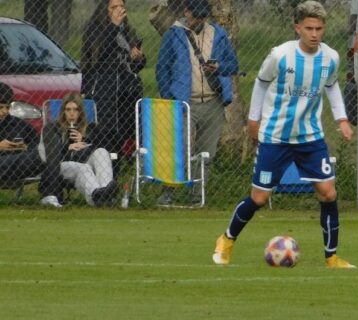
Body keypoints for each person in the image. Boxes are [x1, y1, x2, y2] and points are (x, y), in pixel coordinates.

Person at [212, 1, 356, 269]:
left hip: (310, 138)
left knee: (328, 193)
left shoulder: (330, 58)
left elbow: (333, 86)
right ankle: (227, 240)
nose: (314, 34)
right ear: (297, 27)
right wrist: (254, 120)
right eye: (309, 28)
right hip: (275, 137)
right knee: (259, 198)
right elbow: (261, 83)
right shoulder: (281, 55)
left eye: (319, 28)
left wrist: (342, 119)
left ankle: (332, 258)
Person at [156, 0, 239, 205]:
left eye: (203, 16)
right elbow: (162, 69)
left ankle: (197, 197)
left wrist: (218, 67)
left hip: (213, 101)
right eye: (196, 16)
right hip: (185, 102)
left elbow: (233, 64)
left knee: (206, 153)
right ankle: (169, 192)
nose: (200, 21)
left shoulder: (218, 34)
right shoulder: (174, 34)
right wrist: (170, 97)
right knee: (180, 150)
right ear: (187, 12)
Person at [81, 0, 146, 156]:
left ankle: (124, 168)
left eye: (121, 6)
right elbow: (99, 55)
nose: (119, 10)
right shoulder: (94, 29)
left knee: (126, 135)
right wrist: (113, 26)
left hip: (126, 92)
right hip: (104, 91)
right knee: (105, 136)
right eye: (114, 7)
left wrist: (138, 58)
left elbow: (134, 66)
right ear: (105, 11)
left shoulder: (127, 31)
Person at [40, 93, 118, 207]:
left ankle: (104, 193)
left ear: (80, 112)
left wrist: (85, 138)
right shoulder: (53, 128)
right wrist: (67, 146)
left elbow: (107, 145)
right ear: (63, 112)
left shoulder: (90, 128)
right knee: (83, 168)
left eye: (75, 110)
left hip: (85, 162)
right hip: (62, 165)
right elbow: (50, 155)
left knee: (101, 152)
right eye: (68, 109)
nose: (72, 113)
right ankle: (99, 197)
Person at [0, 82, 62, 207]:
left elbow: (34, 142)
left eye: (7, 107)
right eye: (0, 107)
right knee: (46, 155)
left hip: (23, 165)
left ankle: (49, 196)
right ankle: (42, 156)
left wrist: (25, 147)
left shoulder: (18, 124)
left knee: (45, 150)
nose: (4, 112)